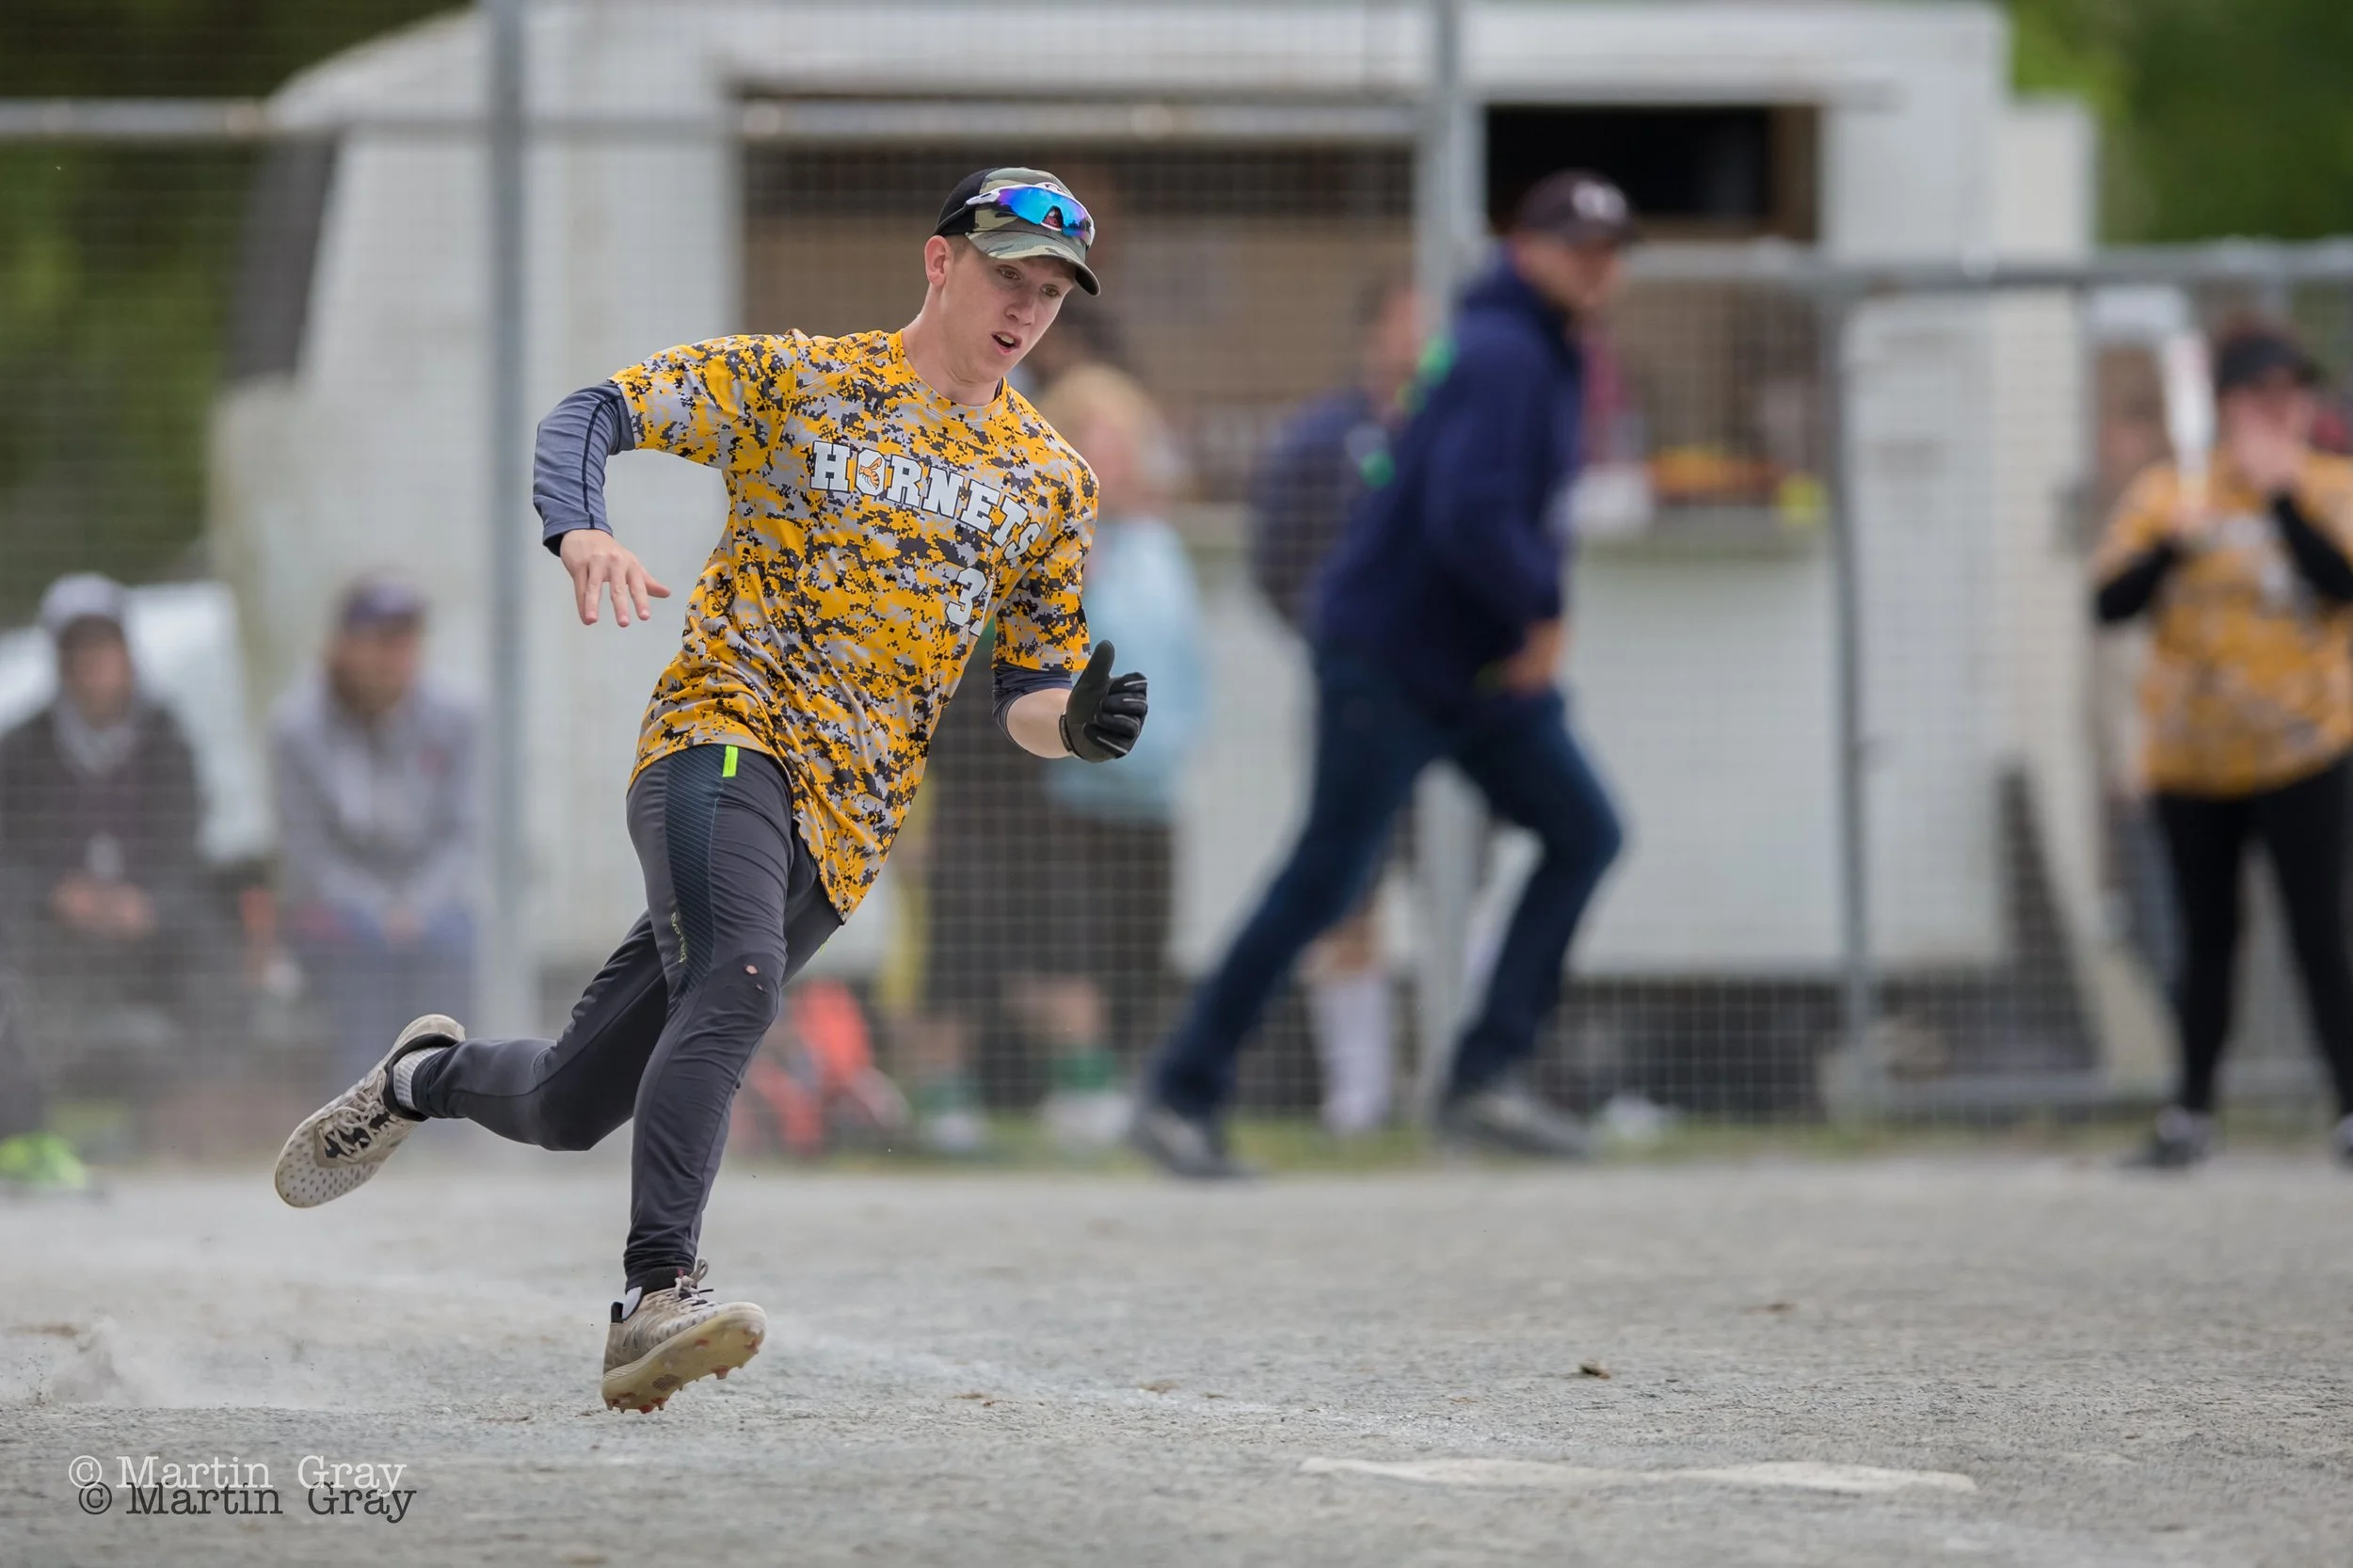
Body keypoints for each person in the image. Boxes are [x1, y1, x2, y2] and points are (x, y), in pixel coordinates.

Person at [273, 168, 1148, 1412]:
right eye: (1010, 272)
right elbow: (590, 413)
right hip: (722, 735)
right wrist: (579, 527)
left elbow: (1030, 693)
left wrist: (1082, 727)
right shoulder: (802, 381)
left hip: (848, 828)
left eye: (1053, 289)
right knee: (735, 980)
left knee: (576, 1101)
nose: (1029, 305)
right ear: (939, 261)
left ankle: (423, 1076)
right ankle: (654, 1296)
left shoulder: (1051, 482)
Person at [1132, 170, 1634, 1178]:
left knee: (1583, 832)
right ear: (1525, 248)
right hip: (1391, 661)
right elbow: (1467, 512)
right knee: (1330, 876)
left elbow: (1502, 513)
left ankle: (1484, 1078)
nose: (1592, 263)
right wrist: (1542, 606)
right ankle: (1180, 1094)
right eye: (1571, 243)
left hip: (1472, 669)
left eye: (1606, 248)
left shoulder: (1543, 348)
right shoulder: (1502, 352)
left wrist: (1525, 616)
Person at [2090, 323, 2353, 1170]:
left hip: (2303, 749)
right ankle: (2190, 1115)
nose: (2281, 409)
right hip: (2190, 759)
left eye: (2293, 393)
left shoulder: (2331, 485)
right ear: (2227, 404)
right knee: (2206, 939)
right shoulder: (2168, 492)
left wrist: (2280, 498)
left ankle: (2349, 1111)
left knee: (2321, 933)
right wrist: (2174, 541)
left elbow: (2343, 584)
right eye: (2261, 395)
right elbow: (2110, 604)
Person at [1246, 271, 1422, 1133]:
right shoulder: (1321, 440)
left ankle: (1469, 1073)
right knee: (1350, 887)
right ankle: (1359, 1091)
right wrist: (1334, 643)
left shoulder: (1464, 430)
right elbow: (1275, 560)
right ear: (1375, 330)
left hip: (1458, 700)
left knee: (1469, 873)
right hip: (1355, 696)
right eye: (1410, 318)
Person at [0, 574, 221, 1080]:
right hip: (52, 930)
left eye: (104, 647)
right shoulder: (19, 749)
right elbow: (7, 857)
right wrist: (56, 893)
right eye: (78, 650)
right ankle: (41, 1102)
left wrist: (148, 903)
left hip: (150, 926)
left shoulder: (169, 740)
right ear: (59, 661)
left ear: (127, 654)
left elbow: (187, 848)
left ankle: (200, 1106)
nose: (93, 664)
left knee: (210, 950)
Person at [272, 579, 477, 1087]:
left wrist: (416, 907)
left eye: (406, 640)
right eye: (381, 640)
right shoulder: (296, 727)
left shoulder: (459, 715)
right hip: (339, 908)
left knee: (455, 947)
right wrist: (377, 910)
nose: (396, 655)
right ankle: (357, 1116)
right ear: (343, 646)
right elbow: (306, 852)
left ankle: (449, 1118)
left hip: (433, 904)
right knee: (361, 958)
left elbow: (466, 834)